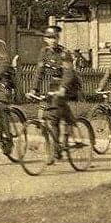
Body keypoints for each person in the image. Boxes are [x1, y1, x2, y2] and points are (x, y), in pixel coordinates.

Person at [29, 26, 78, 156]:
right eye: (50, 38)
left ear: (58, 38)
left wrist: (63, 88)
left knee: (54, 115)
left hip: (67, 85)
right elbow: (39, 72)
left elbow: (68, 73)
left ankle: (58, 145)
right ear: (45, 39)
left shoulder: (64, 53)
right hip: (52, 87)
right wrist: (34, 89)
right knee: (43, 115)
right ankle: (52, 146)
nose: (53, 40)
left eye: (55, 37)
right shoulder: (44, 52)